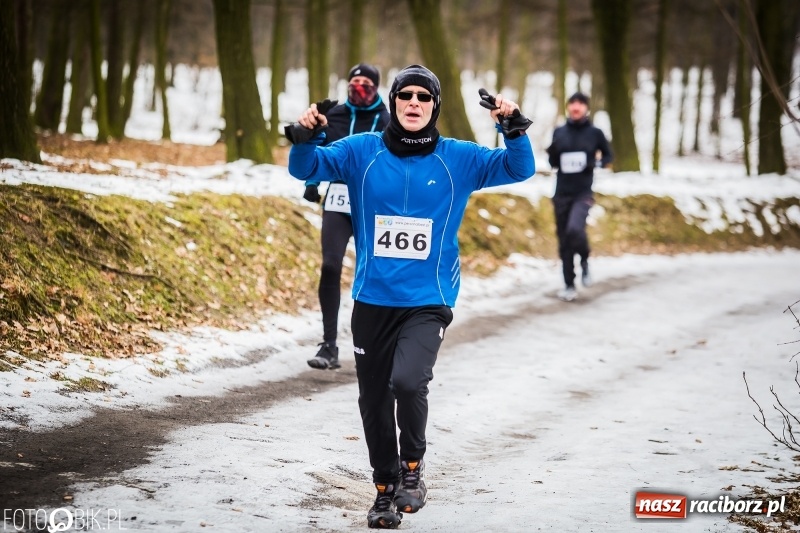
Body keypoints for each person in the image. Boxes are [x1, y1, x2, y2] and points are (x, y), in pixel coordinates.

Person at [288, 64, 535, 529]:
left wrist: (513, 128)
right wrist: (305, 137)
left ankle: (412, 469)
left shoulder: (456, 158)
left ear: (435, 105)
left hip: (428, 298)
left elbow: (518, 168)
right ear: (394, 103)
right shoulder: (361, 152)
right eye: (407, 96)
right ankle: (384, 490)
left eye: (424, 97)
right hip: (373, 299)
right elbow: (308, 168)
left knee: (406, 382)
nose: (415, 103)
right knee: (372, 400)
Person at [302, 64, 390, 370]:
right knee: (329, 265)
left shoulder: (387, 120)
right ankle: (329, 345)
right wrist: (311, 184)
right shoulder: (335, 115)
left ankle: (375, 345)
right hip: (338, 200)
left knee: (371, 274)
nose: (359, 87)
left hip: (371, 203)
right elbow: (318, 152)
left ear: (377, 88)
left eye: (367, 83)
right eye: (354, 82)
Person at [546, 92, 613, 302]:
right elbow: (553, 163)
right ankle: (568, 284)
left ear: (586, 108)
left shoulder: (595, 133)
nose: (576, 107)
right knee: (564, 240)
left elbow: (609, 156)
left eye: (580, 104)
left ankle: (584, 260)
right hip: (561, 194)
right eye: (572, 104)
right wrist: (552, 153)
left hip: (583, 193)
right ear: (568, 107)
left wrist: (598, 163)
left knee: (575, 229)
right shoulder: (559, 131)